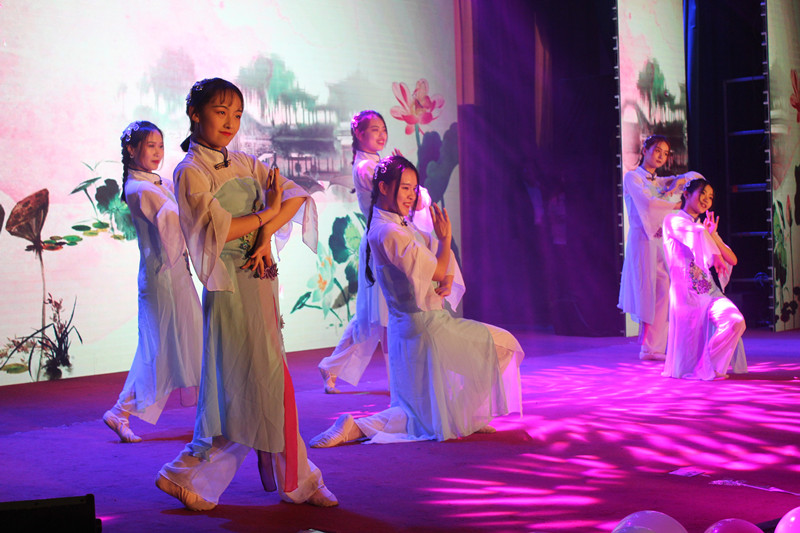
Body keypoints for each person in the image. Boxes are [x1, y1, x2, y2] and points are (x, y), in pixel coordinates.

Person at [155, 78, 336, 511]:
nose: (230, 123)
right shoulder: (190, 170)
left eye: (237, 115)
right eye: (221, 112)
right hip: (230, 284)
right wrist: (265, 215)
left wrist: (265, 235)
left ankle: (191, 475)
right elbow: (215, 231)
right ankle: (298, 480)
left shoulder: (243, 162)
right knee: (256, 385)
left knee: (258, 384)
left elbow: (294, 196)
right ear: (195, 114)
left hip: (260, 275)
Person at [310, 156, 523, 447]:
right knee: (505, 347)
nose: (412, 195)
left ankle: (363, 426)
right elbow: (437, 265)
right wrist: (445, 240)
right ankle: (456, 415)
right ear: (383, 188)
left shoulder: (396, 225)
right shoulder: (389, 231)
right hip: (426, 328)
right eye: (405, 188)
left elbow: (435, 261)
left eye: (414, 188)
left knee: (416, 413)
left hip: (411, 329)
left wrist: (444, 273)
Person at [317, 110, 460, 393]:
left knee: (374, 315)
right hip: (383, 241)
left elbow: (416, 200)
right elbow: (417, 199)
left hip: (391, 236)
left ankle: (334, 366)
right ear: (359, 134)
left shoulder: (376, 164)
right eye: (375, 130)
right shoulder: (366, 168)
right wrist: (404, 178)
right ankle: (397, 383)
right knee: (384, 316)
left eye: (384, 129)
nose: (382, 134)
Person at [103, 120, 202, 444]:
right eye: (150, 146)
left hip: (171, 274)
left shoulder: (152, 184)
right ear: (131, 149)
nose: (158, 152)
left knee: (186, 341)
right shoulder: (142, 188)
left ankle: (213, 414)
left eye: (161, 146)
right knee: (160, 349)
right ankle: (121, 410)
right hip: (164, 277)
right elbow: (177, 221)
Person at [618, 135, 699, 361]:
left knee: (664, 291)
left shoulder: (660, 181)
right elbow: (648, 204)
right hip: (642, 241)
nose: (661, 156)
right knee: (647, 291)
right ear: (644, 150)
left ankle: (655, 347)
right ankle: (647, 347)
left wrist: (677, 184)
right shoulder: (633, 177)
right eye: (657, 151)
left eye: (665, 153)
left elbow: (694, 177)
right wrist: (677, 204)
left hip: (659, 240)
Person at [661, 177, 747, 380]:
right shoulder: (672, 221)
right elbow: (694, 233)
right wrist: (713, 251)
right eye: (703, 194)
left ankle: (706, 367)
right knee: (689, 346)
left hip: (708, 290)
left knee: (735, 321)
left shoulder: (703, 228)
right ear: (686, 194)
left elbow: (732, 259)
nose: (707, 199)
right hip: (686, 295)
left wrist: (714, 235)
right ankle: (704, 369)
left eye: (711, 197)